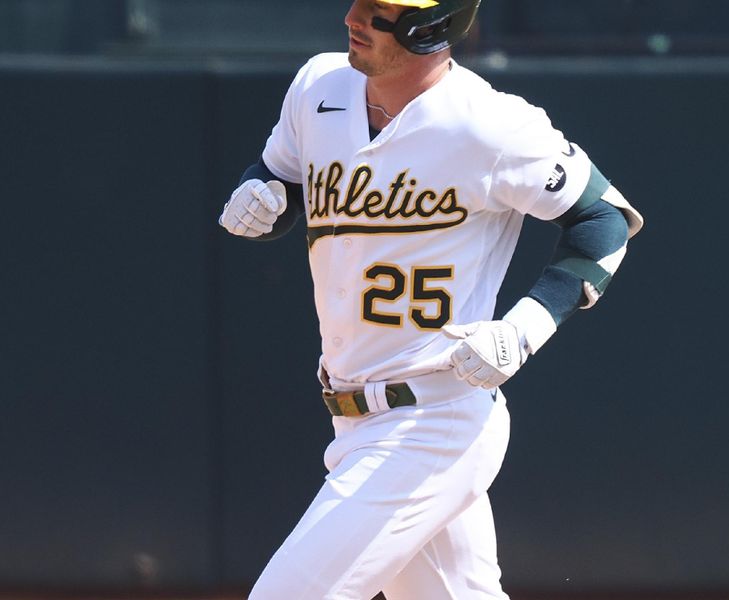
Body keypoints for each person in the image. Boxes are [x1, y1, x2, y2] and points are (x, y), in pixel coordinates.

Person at [219, 0, 644, 598]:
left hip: (433, 417)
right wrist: (262, 197)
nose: (353, 17)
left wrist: (524, 328)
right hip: (356, 415)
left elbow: (603, 219)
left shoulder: (489, 123)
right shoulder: (319, 85)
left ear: (433, 25)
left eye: (378, 10)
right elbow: (282, 176)